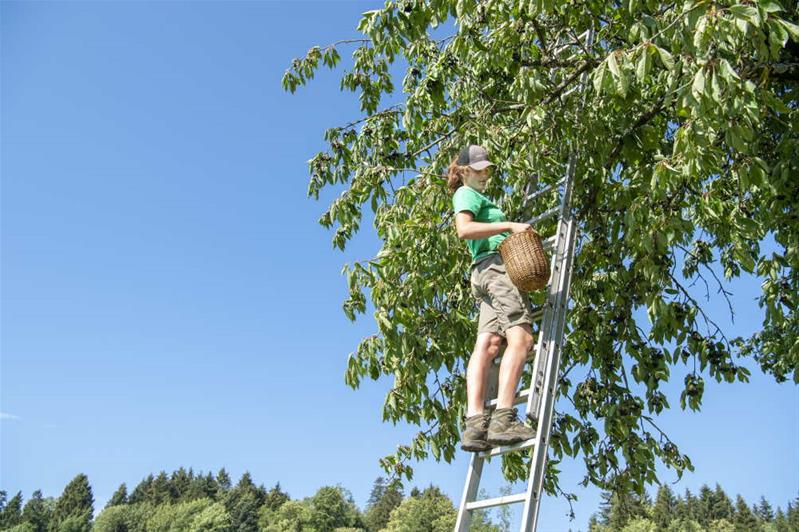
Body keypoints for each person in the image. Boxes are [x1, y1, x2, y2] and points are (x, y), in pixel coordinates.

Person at [448, 144, 537, 452]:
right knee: (522, 339)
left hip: (484, 273)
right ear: (463, 171)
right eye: (478, 169)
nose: (485, 174)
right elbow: (465, 229)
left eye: (487, 169)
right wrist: (510, 226)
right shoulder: (465, 194)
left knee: (487, 344)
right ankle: (503, 419)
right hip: (495, 270)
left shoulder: (478, 195)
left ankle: (474, 426)